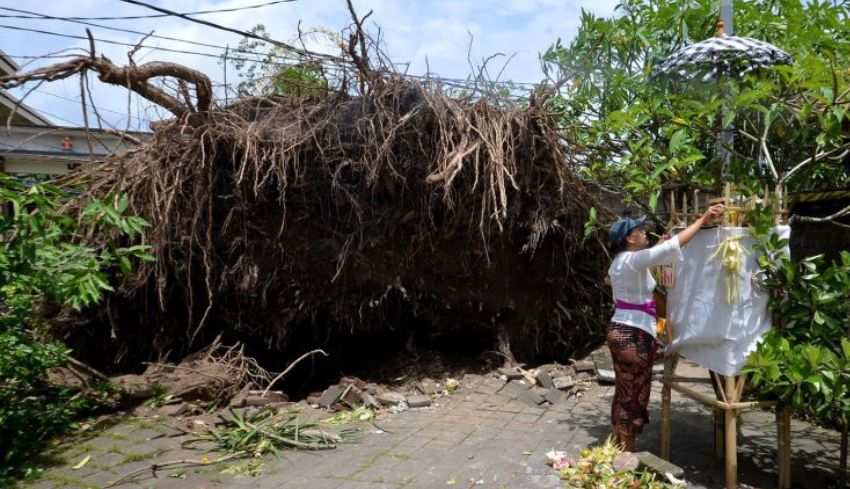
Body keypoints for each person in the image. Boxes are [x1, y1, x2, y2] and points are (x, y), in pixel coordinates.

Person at [606, 204, 724, 451]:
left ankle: (616, 446)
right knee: (635, 394)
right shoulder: (633, 260)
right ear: (630, 238)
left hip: (620, 330)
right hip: (633, 335)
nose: (645, 233)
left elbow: (661, 251)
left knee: (623, 390)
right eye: (640, 230)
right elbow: (672, 247)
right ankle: (627, 453)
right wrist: (702, 220)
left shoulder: (619, 262)